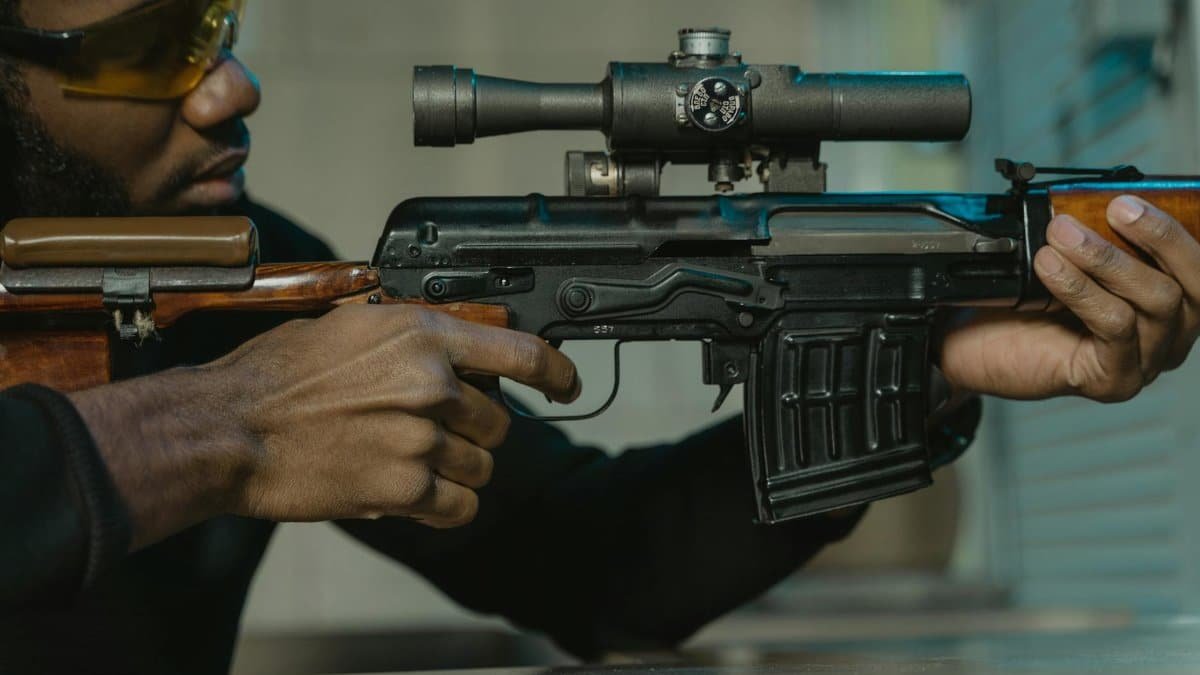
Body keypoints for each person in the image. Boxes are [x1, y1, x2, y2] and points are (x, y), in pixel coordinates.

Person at [2, 1, 1199, 673]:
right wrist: (222, 428)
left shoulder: (239, 270)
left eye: (217, 24)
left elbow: (599, 571)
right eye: (152, 50)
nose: (230, 88)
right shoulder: (236, 361)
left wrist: (916, 360)